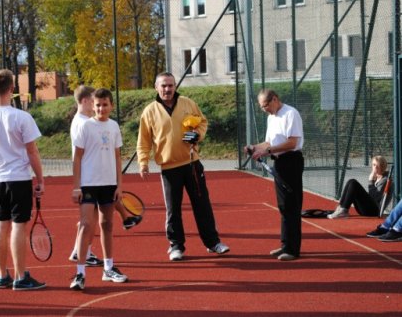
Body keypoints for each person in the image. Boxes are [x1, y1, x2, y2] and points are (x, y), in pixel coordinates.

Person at [137, 72, 229, 262]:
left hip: (192, 163)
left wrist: (198, 135)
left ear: (175, 86)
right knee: (173, 210)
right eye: (163, 86)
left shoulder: (188, 103)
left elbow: (202, 122)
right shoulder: (149, 111)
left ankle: (213, 243)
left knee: (202, 205)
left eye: (170, 85)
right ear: (156, 87)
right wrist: (143, 161)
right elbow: (144, 139)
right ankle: (176, 246)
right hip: (169, 168)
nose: (167, 89)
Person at [0, 69, 46, 291]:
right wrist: (40, 179)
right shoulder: (22, 117)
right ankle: (21, 276)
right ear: (13, 89)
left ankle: (2, 275)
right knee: (18, 226)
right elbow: (32, 151)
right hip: (18, 178)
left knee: (1, 224)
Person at [68, 85, 142, 267]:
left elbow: (117, 155)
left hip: (105, 180)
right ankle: (80, 264)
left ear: (111, 106)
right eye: (97, 104)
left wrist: (119, 184)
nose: (101, 108)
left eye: (105, 105)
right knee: (87, 224)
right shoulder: (83, 123)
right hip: (89, 179)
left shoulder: (112, 126)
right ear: (90, 104)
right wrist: (77, 185)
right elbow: (77, 156)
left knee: (101, 223)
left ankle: (99, 260)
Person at [246, 89, 304, 261]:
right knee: (283, 205)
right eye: (261, 107)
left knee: (292, 205)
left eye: (265, 105)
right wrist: (255, 148)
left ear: (275, 99)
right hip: (279, 162)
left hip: (291, 161)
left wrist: (267, 150)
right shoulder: (271, 117)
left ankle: (293, 249)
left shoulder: (291, 114)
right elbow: (269, 142)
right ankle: (285, 244)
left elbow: (292, 142)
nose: (264, 109)